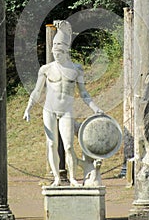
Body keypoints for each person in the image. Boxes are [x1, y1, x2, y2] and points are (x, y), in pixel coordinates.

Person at [23, 20, 103, 186]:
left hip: (66, 110)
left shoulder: (76, 69)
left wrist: (96, 108)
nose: (56, 55)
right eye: (54, 51)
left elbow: (84, 93)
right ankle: (57, 178)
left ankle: (73, 178)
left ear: (66, 50)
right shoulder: (46, 69)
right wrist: (28, 108)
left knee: (68, 146)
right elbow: (37, 91)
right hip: (49, 110)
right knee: (51, 143)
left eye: (59, 52)